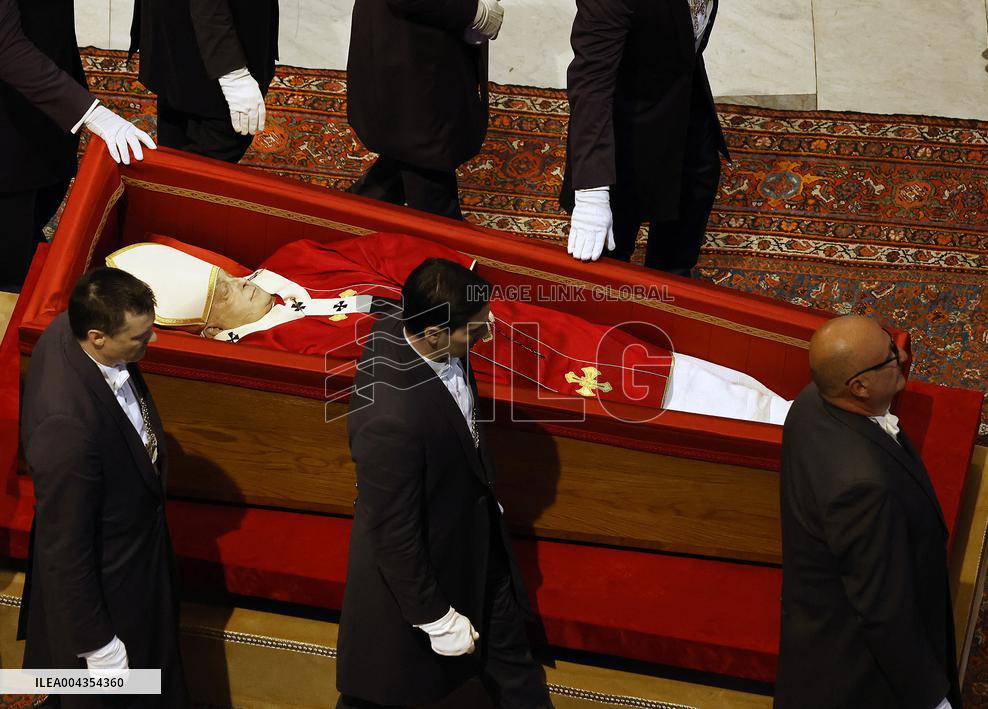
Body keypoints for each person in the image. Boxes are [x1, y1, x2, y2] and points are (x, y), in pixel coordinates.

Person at [107, 234, 792, 424]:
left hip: (509, 326)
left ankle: (787, 409)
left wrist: (456, 289)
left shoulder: (289, 263)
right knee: (645, 406)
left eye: (223, 272)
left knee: (648, 360)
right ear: (207, 325)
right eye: (225, 291)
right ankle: (783, 433)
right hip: (491, 379)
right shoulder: (276, 356)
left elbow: (382, 252)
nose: (240, 280)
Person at [337, 258, 552, 707]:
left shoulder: (422, 325)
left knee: (516, 670)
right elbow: (394, 532)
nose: (487, 335)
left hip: (475, 545)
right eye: (476, 330)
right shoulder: (391, 420)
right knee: (385, 693)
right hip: (427, 569)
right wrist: (435, 617)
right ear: (433, 333)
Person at [18, 268, 188, 707]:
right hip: (106, 593)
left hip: (135, 564)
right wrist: (99, 645)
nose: (150, 344)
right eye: (139, 338)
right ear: (96, 336)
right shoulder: (67, 426)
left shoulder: (71, 327)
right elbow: (65, 548)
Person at [775, 315, 961, 709]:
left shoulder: (810, 402)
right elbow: (884, 609)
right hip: (857, 669)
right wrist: (933, 698)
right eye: (891, 357)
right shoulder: (863, 488)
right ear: (858, 386)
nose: (904, 356)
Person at [560, 0, 728, 276]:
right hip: (623, 136)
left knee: (692, 197)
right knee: (610, 260)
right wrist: (593, 193)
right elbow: (591, 84)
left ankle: (674, 284)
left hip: (682, 93)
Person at [0, 0, 155, 292]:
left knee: (40, 213)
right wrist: (91, 113)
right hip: (10, 139)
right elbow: (6, 47)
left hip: (50, 105)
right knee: (11, 267)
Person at [346, 0, 504, 219]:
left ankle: (341, 221)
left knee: (404, 161)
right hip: (415, 62)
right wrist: (474, 12)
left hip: (414, 54)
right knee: (433, 193)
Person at [129, 0, 279, 162]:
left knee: (174, 138)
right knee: (209, 160)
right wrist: (232, 72)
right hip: (220, 40)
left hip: (177, 31)